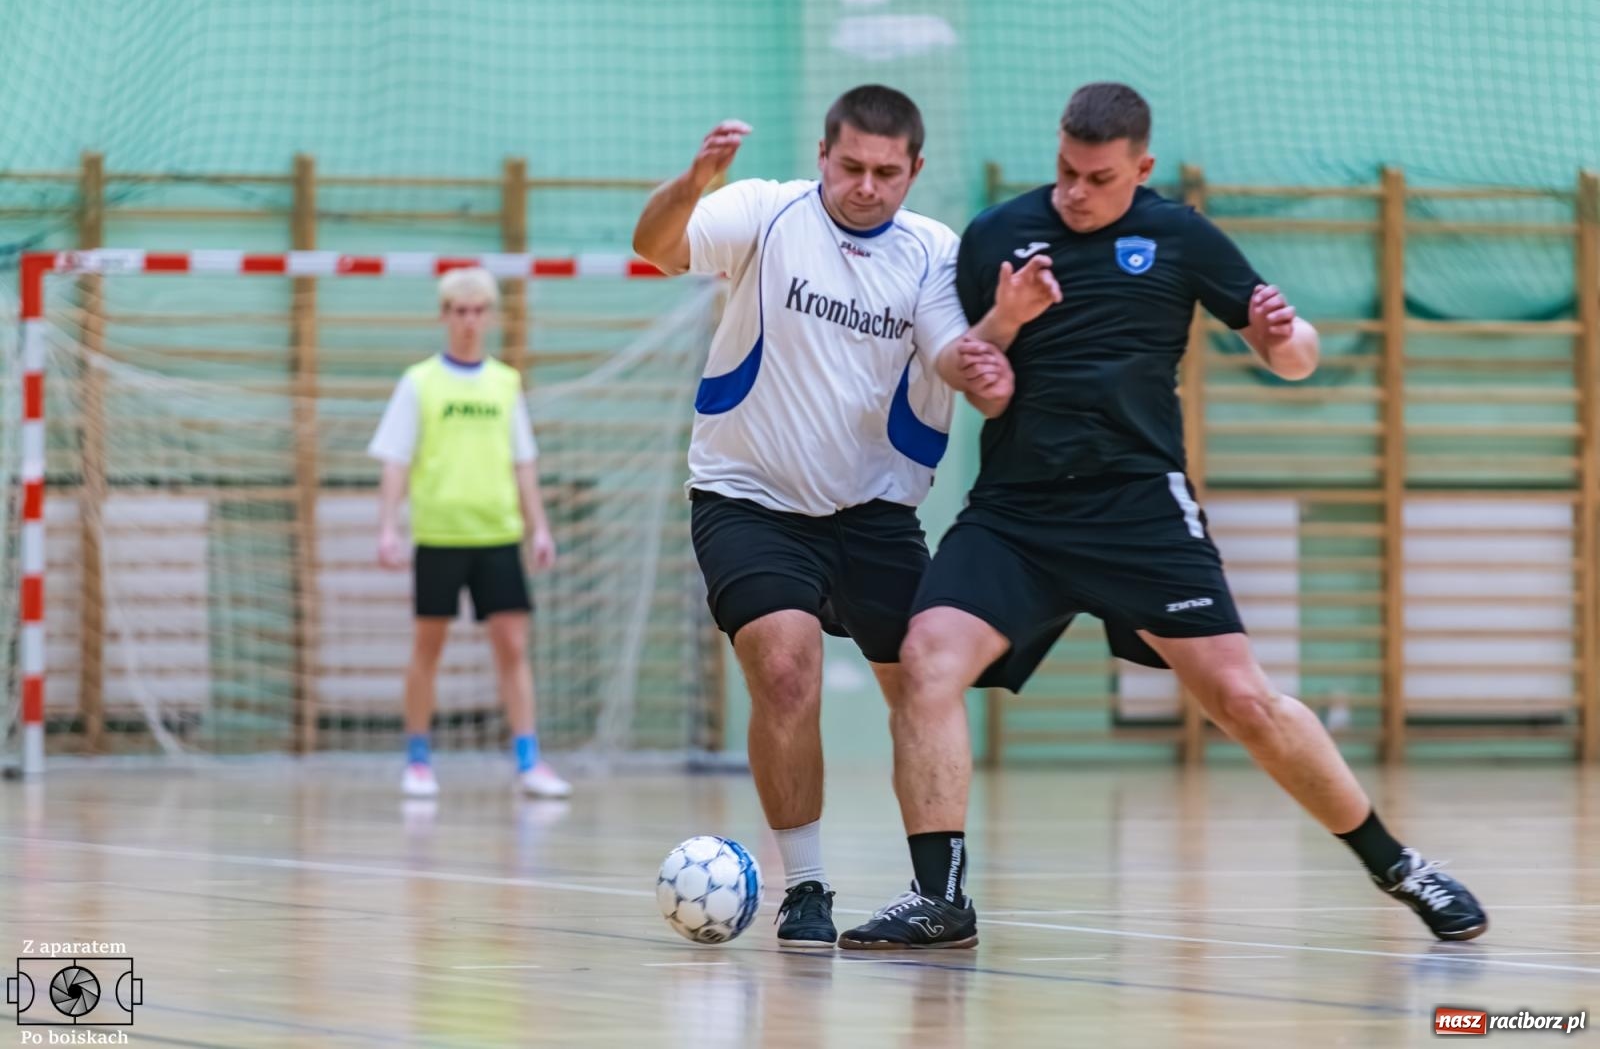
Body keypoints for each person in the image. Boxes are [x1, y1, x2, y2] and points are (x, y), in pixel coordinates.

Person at [840, 82, 1487, 950]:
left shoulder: (1179, 236)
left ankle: (1399, 865)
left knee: (1243, 701)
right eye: (1065, 171)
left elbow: (1295, 358)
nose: (1074, 191)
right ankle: (941, 897)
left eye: (1097, 178)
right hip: (1017, 512)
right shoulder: (999, 233)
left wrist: (1281, 337)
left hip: (1138, 506)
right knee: (925, 662)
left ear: (1139, 168)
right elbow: (963, 362)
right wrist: (996, 342)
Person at [632, 84, 1014, 947]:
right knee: (785, 667)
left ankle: (939, 895)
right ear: (822, 155)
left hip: (875, 511)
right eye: (851, 166)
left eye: (887, 171)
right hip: (750, 497)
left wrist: (994, 347)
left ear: (915, 170)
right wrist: (691, 184)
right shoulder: (764, 214)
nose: (867, 186)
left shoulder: (932, 254)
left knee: (924, 677)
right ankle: (805, 886)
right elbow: (654, 247)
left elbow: (952, 355)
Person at [368, 266, 572, 801]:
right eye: (459, 311)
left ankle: (528, 761)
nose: (469, 321)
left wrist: (539, 528)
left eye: (478, 311)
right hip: (439, 535)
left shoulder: (505, 383)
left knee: (512, 645)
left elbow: (524, 462)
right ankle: (417, 759)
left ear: (490, 316)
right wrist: (387, 527)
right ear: (444, 316)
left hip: (498, 535)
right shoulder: (419, 383)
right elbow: (395, 460)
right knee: (427, 648)